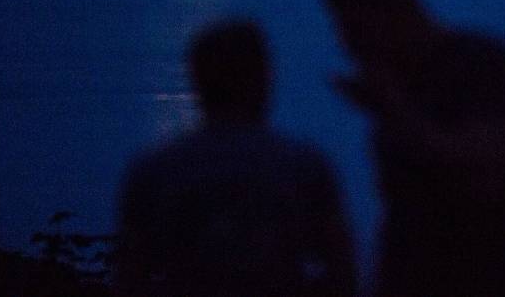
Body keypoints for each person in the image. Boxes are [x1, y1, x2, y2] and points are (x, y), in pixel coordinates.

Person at [324, 0, 505, 297]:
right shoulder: (407, 84)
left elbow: (491, 170)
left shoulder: (482, 69)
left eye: (356, 33)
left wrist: (396, 112)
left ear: (390, 14)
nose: (350, 50)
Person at [115, 21, 355, 297]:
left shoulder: (153, 173)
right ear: (265, 77)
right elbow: (342, 272)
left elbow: (130, 277)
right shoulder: (304, 167)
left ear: (196, 80)